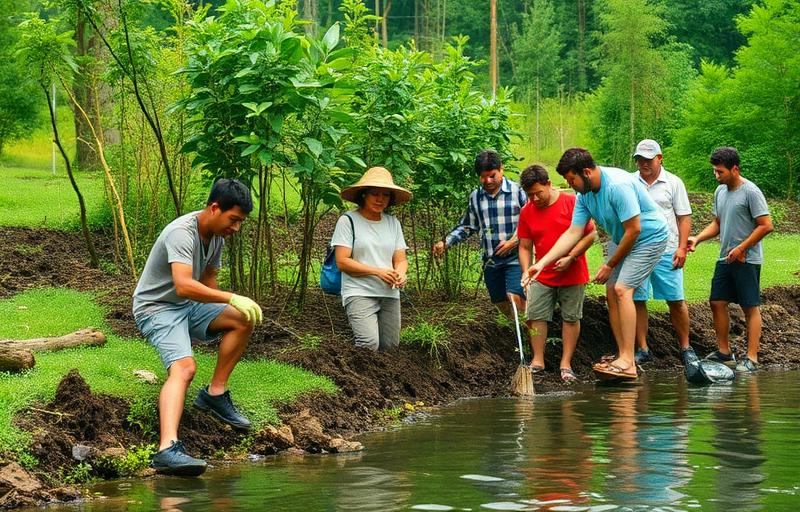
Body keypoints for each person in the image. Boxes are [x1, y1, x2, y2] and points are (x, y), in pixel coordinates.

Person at [133, 178, 263, 476]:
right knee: (184, 369)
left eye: (240, 222)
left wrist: (226, 309)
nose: (236, 228)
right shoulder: (182, 233)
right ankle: (167, 449)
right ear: (214, 208)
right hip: (157, 307)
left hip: (186, 305)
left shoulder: (216, 237)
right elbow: (183, 285)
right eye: (233, 220)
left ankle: (215, 394)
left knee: (243, 318)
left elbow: (207, 285)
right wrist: (232, 296)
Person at [528, 148, 669, 379]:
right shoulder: (584, 196)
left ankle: (628, 362)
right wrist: (542, 263)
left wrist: (610, 265)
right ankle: (623, 354)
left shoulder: (617, 186)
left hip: (650, 238)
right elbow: (573, 233)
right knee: (612, 292)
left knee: (623, 289)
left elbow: (635, 230)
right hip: (624, 238)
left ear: (585, 172)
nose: (570, 184)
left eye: (571, 179)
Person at [687, 147, 773, 373]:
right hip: (725, 257)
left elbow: (766, 225)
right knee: (716, 302)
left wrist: (743, 247)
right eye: (715, 171)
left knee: (749, 306)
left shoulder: (750, 192)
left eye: (720, 172)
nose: (717, 176)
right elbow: (717, 223)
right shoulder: (720, 192)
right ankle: (724, 352)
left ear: (735, 169)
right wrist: (698, 238)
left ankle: (752, 358)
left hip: (747, 260)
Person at [517, 165, 597, 382]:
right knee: (535, 317)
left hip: (572, 272)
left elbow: (591, 235)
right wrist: (526, 271)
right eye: (529, 195)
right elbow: (525, 246)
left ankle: (566, 363)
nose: (534, 199)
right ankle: (538, 360)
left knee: (571, 317)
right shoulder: (527, 211)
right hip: (541, 275)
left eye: (537, 193)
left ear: (549, 184)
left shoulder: (572, 203)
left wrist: (571, 257)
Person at [432, 150, 527, 319]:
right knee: (499, 301)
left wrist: (514, 241)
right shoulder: (476, 197)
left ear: (501, 170)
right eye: (483, 177)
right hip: (491, 259)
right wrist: (446, 242)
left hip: (516, 257)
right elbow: (468, 226)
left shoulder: (517, 191)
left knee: (515, 297)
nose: (488, 181)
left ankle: (527, 338)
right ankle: (515, 332)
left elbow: (532, 222)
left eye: (492, 175)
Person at [629, 139, 695, 365]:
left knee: (676, 299)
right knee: (638, 298)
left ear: (659, 158)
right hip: (637, 249)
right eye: (639, 159)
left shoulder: (673, 183)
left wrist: (682, 247)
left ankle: (686, 347)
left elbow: (684, 217)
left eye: (648, 159)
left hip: (668, 249)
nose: (643, 164)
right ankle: (642, 348)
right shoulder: (630, 182)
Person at [332, 166, 411, 352]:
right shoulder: (348, 220)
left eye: (385, 195)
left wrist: (400, 274)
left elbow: (401, 259)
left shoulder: (393, 223)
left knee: (390, 347)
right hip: (359, 291)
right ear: (364, 195)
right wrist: (377, 271)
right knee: (368, 344)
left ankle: (384, 382)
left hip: (389, 293)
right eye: (375, 193)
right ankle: (355, 381)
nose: (380, 199)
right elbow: (342, 261)